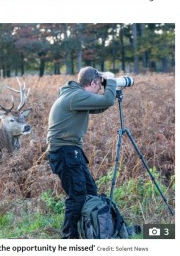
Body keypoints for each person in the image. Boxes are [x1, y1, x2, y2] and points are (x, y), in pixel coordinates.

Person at [46, 66, 117, 239]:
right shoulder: (75, 96)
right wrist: (112, 81)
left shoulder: (75, 95)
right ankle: (69, 238)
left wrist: (112, 90)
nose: (100, 88)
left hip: (70, 152)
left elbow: (99, 106)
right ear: (92, 82)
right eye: (100, 84)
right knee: (77, 196)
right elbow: (106, 101)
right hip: (65, 152)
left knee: (90, 191)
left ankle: (91, 231)